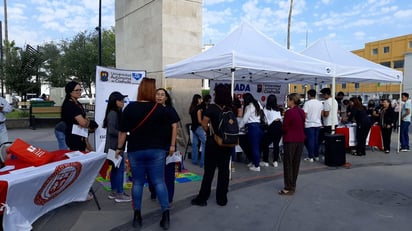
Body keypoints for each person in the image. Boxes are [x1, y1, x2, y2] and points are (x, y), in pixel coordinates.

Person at [115, 78, 171, 229]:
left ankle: (137, 216)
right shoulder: (160, 109)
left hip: (136, 150)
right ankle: (165, 215)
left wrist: (119, 148)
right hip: (157, 149)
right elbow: (167, 130)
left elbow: (122, 132)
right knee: (159, 181)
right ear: (152, 91)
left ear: (140, 89)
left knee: (138, 182)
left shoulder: (130, 108)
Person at [191, 83, 234, 206]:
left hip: (213, 143)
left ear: (218, 95)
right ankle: (222, 198)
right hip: (226, 144)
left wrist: (212, 133)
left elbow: (204, 124)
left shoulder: (212, 108)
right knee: (224, 171)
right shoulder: (230, 109)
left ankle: (203, 197)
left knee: (209, 172)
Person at [148, 88, 180, 204]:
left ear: (166, 98)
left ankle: (169, 198)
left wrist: (172, 145)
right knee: (152, 172)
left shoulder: (170, 110)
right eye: (157, 94)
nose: (159, 96)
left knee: (168, 174)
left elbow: (175, 127)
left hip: (167, 147)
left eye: (162, 95)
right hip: (153, 147)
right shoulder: (151, 110)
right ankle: (153, 192)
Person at [103, 91, 131, 203]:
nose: (123, 102)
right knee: (119, 170)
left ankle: (114, 191)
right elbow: (111, 130)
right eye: (121, 100)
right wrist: (125, 133)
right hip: (115, 147)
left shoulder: (115, 112)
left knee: (115, 170)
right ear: (115, 102)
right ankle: (119, 193)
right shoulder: (113, 113)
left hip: (113, 147)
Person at [278, 93, 305, 196]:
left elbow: (284, 128)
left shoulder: (289, 113)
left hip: (291, 139)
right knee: (296, 164)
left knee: (288, 163)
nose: (287, 102)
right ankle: (293, 185)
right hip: (300, 139)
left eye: (288, 100)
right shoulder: (301, 111)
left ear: (292, 101)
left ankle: (288, 187)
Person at [61, 81, 90, 151]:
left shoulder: (78, 103)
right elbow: (83, 123)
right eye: (77, 90)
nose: (79, 92)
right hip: (74, 137)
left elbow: (85, 120)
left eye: (80, 90)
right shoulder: (70, 105)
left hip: (80, 135)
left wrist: (86, 121)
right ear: (70, 92)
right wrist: (86, 121)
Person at [239, 93, 264, 172]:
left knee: (254, 147)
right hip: (259, 127)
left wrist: (238, 127)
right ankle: (254, 162)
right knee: (255, 146)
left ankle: (256, 166)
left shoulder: (249, 106)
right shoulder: (258, 104)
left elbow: (245, 119)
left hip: (252, 128)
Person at [260, 94, 282, 167]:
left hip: (272, 125)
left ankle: (265, 161)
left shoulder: (266, 108)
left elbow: (265, 119)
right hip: (279, 125)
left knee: (265, 143)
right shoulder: (277, 108)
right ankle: (275, 161)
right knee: (276, 144)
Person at [303, 89, 323, 162]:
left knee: (310, 141)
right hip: (317, 123)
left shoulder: (307, 103)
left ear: (309, 95)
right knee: (316, 140)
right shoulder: (320, 103)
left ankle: (311, 156)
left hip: (309, 124)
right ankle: (316, 155)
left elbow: (304, 114)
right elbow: (321, 114)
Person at [189, 94, 206, 167]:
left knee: (195, 145)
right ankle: (203, 162)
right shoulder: (198, 109)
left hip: (193, 127)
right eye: (200, 99)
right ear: (197, 100)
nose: (201, 100)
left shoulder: (192, 108)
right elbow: (199, 120)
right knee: (205, 143)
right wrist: (204, 125)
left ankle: (194, 160)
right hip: (198, 127)